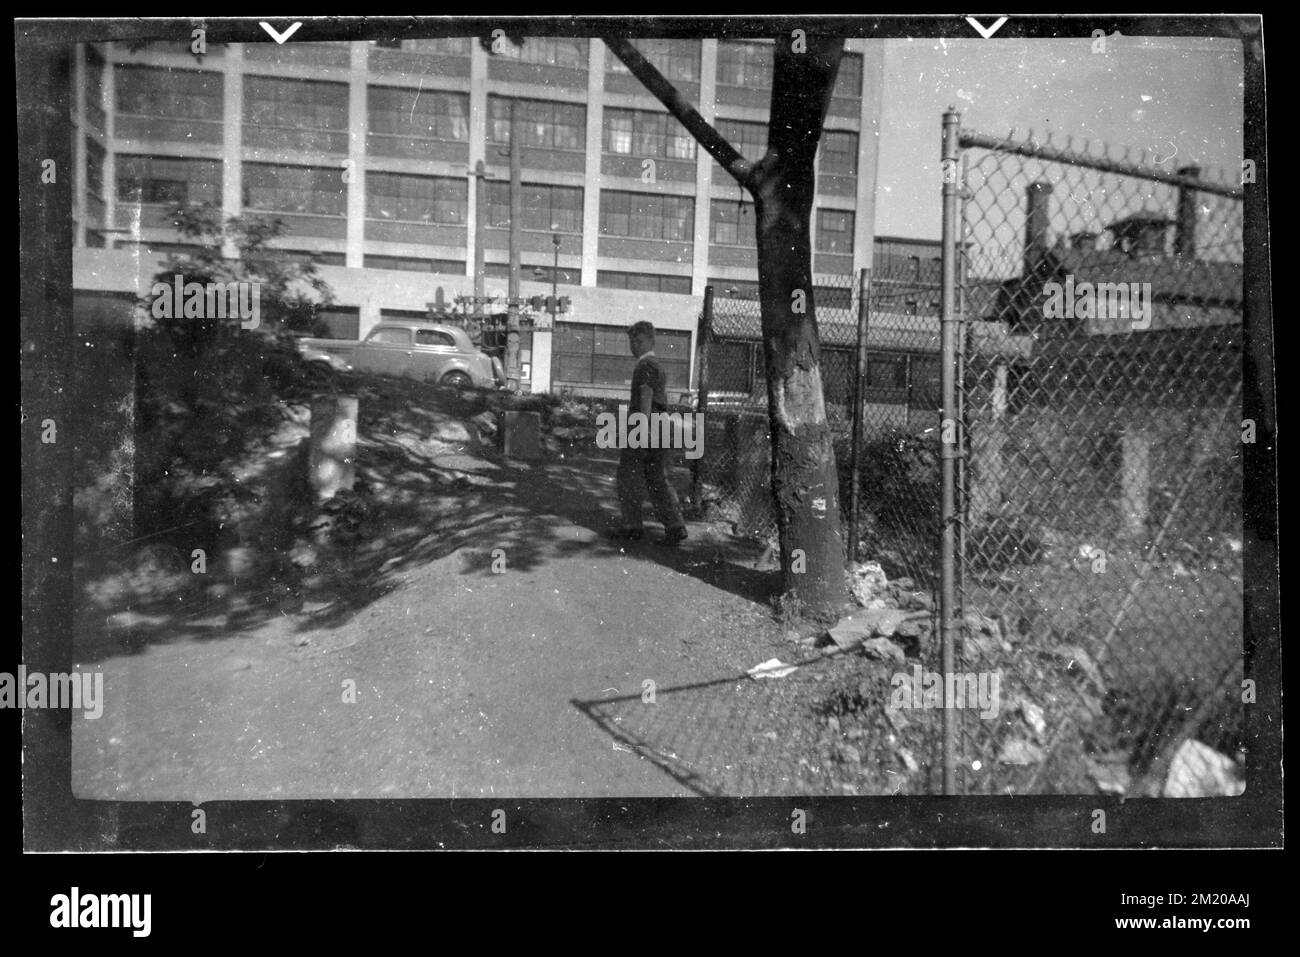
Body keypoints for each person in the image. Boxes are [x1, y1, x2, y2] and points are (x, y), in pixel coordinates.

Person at [611, 321, 688, 546]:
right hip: (659, 425)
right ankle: (675, 525)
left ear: (651, 341)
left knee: (627, 475)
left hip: (644, 425)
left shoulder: (645, 366)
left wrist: (641, 430)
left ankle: (632, 526)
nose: (634, 345)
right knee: (657, 478)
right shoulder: (657, 365)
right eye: (632, 341)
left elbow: (645, 396)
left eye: (639, 340)